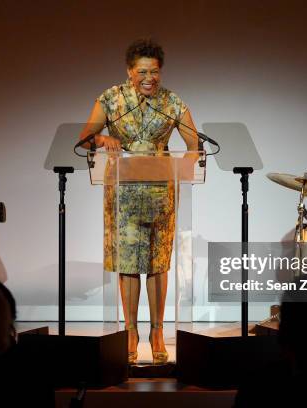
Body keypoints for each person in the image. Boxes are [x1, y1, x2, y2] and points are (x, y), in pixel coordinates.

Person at [79, 38, 199, 364]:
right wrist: (102, 138)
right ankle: (130, 332)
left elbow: (195, 144)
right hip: (123, 195)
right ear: (129, 71)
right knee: (129, 266)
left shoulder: (171, 102)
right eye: (143, 71)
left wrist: (187, 163)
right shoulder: (111, 99)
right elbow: (85, 138)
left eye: (155, 71)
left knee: (158, 264)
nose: (150, 77)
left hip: (162, 195)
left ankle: (157, 331)